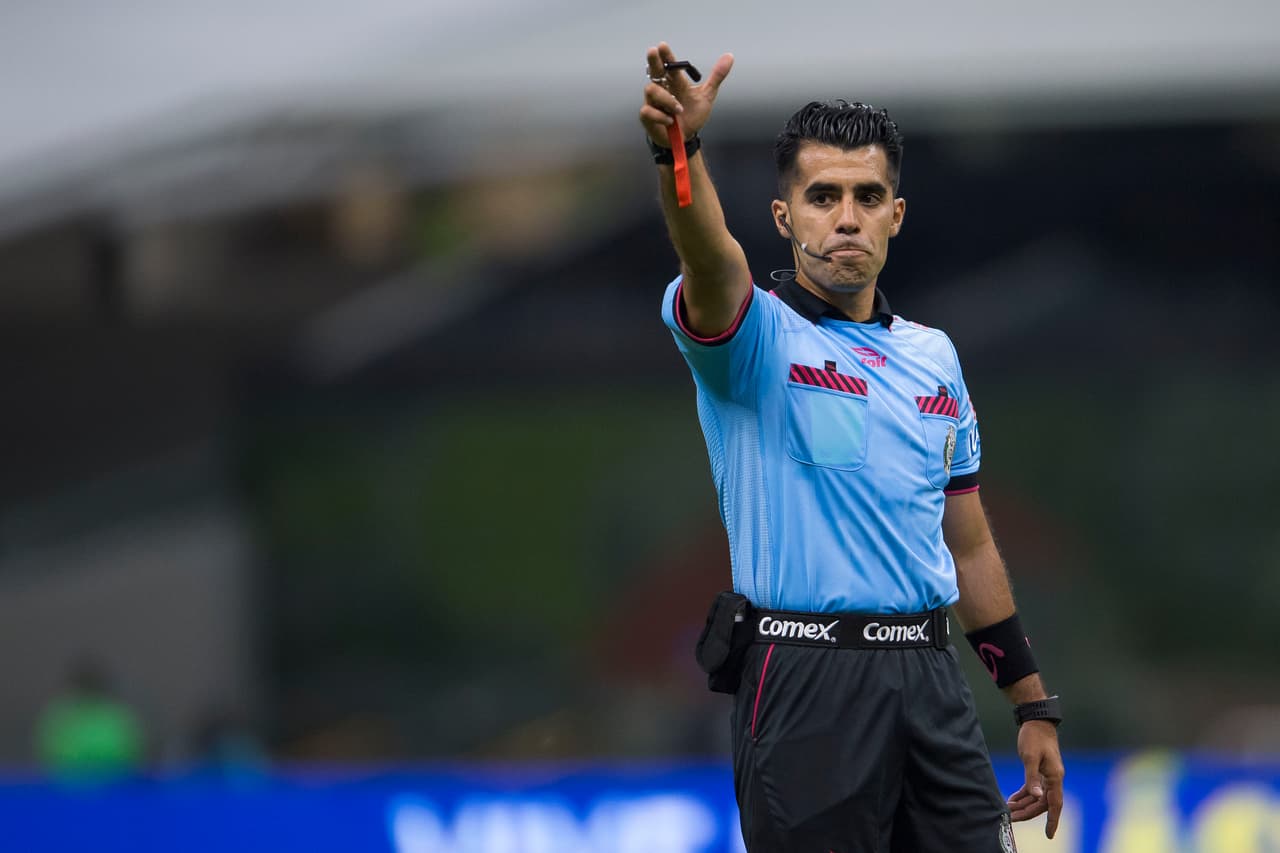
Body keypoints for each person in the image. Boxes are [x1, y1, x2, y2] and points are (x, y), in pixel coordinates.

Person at [640, 42, 1065, 852]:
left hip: (931, 679)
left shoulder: (934, 356)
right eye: (822, 195)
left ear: (894, 215)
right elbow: (707, 254)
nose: (845, 216)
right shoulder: (754, 338)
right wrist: (679, 155)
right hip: (806, 681)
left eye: (868, 196)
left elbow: (966, 542)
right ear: (784, 215)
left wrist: (1031, 700)